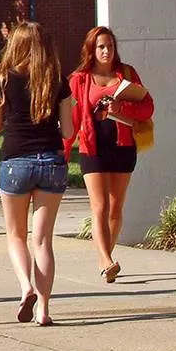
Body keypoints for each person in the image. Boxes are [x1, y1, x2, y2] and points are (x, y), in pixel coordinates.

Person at [0, 21, 73, 326]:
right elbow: (70, 130)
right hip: (51, 161)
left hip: (15, 162)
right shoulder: (58, 81)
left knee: (16, 235)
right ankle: (44, 310)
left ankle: (25, 287)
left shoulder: (1, 80)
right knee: (43, 241)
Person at [65, 26, 154, 283]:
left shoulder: (126, 74)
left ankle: (106, 259)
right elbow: (71, 118)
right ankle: (105, 260)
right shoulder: (80, 79)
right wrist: (64, 149)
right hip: (92, 148)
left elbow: (147, 107)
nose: (106, 51)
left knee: (116, 208)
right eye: (101, 47)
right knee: (100, 206)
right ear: (92, 50)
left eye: (110, 46)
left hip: (123, 146)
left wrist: (121, 105)